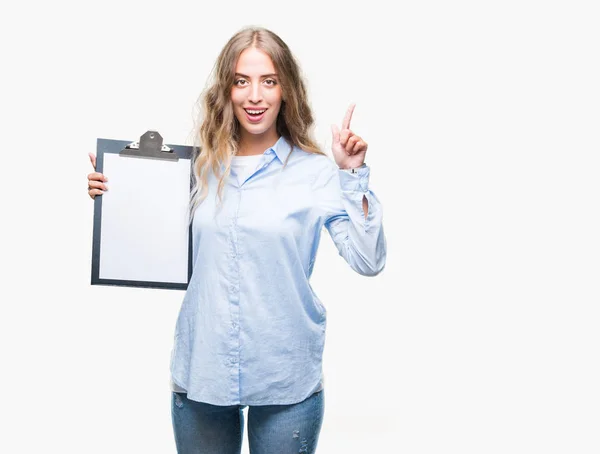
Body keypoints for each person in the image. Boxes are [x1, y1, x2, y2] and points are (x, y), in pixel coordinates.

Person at [87, 26, 386, 454]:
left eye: (269, 81)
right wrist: (116, 195)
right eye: (241, 81)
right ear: (227, 89)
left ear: (286, 90)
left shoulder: (316, 172)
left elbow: (367, 259)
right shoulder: (195, 167)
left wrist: (353, 175)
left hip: (286, 373)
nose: (255, 95)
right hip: (203, 367)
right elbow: (147, 236)